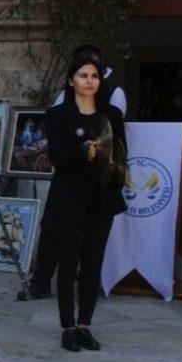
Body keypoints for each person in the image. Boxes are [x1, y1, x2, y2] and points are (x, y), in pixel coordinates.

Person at [23, 43, 127, 301]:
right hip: (68, 179)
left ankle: (85, 292)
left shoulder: (114, 96)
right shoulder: (62, 103)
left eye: (93, 70)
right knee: (52, 232)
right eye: (81, 69)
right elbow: (57, 142)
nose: (88, 78)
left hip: (98, 181)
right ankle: (41, 282)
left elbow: (115, 142)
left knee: (92, 245)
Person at [44, 57, 126, 352]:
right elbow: (55, 156)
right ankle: (68, 327)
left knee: (93, 264)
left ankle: (85, 325)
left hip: (101, 199)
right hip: (69, 197)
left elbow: (121, 154)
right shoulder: (57, 115)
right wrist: (82, 153)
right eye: (83, 75)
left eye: (94, 76)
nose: (90, 81)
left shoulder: (112, 115)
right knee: (68, 264)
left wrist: (111, 173)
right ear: (71, 80)